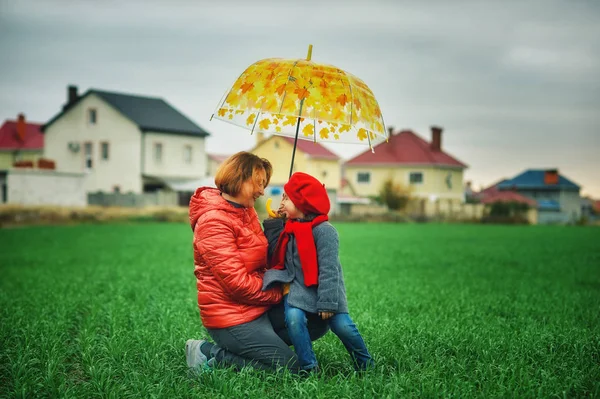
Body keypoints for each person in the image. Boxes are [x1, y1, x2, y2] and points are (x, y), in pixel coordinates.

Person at [185, 152, 328, 374]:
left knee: (316, 316)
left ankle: (253, 348)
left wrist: (281, 227)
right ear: (238, 178)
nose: (262, 191)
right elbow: (237, 284)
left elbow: (267, 260)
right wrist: (281, 292)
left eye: (264, 184)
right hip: (232, 318)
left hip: (259, 308)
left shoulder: (245, 211)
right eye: (258, 183)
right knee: (294, 370)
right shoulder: (213, 222)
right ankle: (208, 352)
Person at [262, 172, 374, 373]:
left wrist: (327, 302)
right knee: (294, 319)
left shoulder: (325, 231)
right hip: (298, 288)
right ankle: (308, 366)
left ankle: (366, 364)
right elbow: (273, 251)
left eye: (287, 198)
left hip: (327, 290)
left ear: (302, 203)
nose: (282, 201)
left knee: (343, 326)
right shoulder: (289, 228)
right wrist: (274, 223)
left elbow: (330, 270)